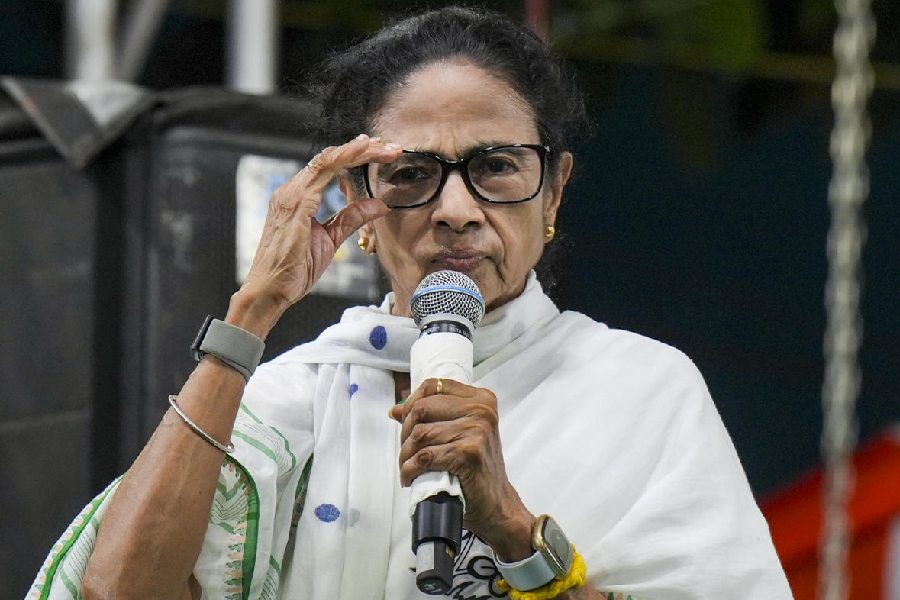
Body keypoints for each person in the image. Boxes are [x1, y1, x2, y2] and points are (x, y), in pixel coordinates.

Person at [29, 6, 791, 600]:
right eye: (412, 173)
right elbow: (117, 589)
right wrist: (251, 313)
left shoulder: (640, 393)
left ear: (554, 190)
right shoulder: (294, 397)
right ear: (360, 199)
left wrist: (518, 536)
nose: (456, 208)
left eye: (494, 166)